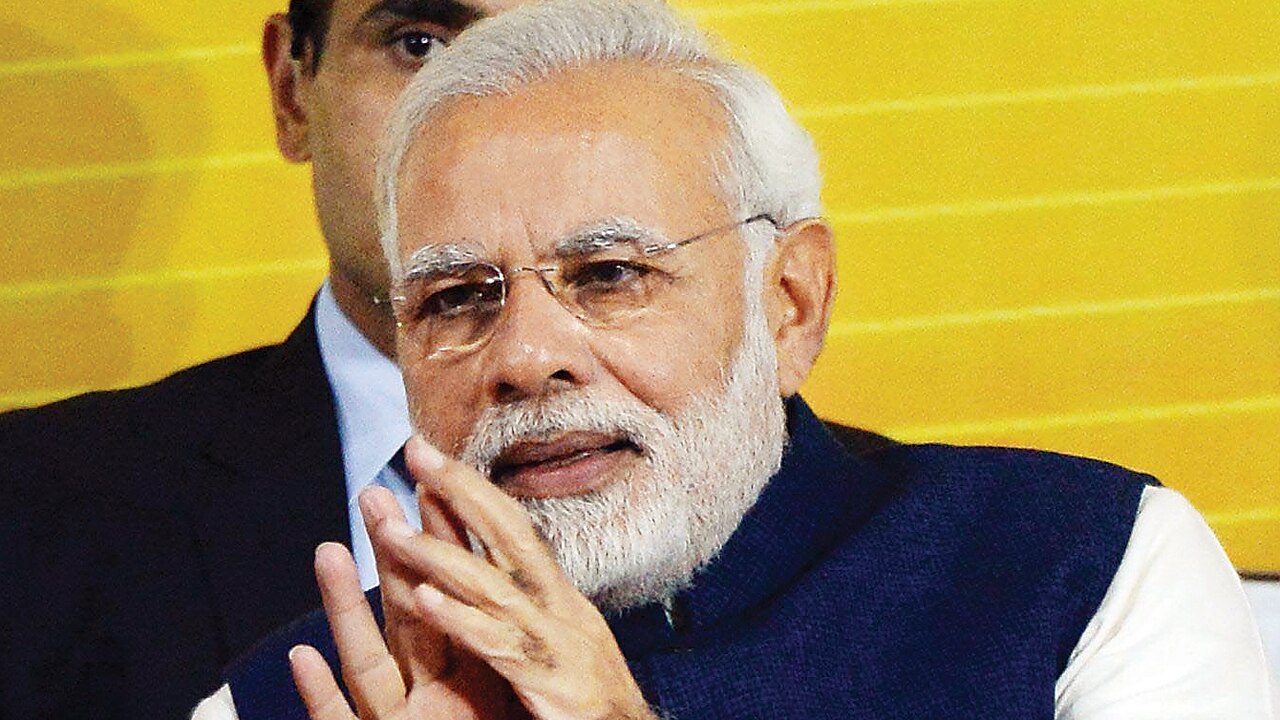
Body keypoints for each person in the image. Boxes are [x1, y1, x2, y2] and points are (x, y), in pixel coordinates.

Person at [195, 1, 1274, 718]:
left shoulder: (1079, 571)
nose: (525, 355)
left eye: (608, 273)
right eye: (456, 298)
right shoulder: (294, 696)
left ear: (788, 302)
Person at [0, 1, 892, 718]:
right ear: (289, 86)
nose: (497, 91)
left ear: (792, 301)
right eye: (419, 40)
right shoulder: (36, 508)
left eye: (612, 273)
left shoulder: (1004, 568)